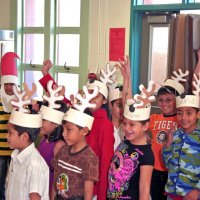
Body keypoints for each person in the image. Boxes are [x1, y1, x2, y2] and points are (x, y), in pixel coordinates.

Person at [107, 80, 156, 199]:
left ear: (145, 126)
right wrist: (127, 78)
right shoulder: (126, 140)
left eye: (132, 125)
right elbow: (127, 103)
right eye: (124, 124)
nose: (126, 128)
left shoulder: (147, 155)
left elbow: (144, 187)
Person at [51, 85, 99, 200]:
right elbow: (55, 182)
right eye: (63, 129)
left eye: (69, 129)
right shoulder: (62, 151)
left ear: (84, 131)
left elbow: (88, 194)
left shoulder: (89, 158)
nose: (63, 134)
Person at [5, 83, 49, 200]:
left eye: (10, 133)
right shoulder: (16, 156)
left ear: (24, 136)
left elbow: (35, 197)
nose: (7, 136)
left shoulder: (35, 164)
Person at [149, 70, 189, 200]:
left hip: (174, 172)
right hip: (154, 170)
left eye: (168, 100)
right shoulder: (154, 118)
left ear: (177, 100)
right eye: (161, 100)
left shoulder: (183, 120)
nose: (164, 104)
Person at [162, 87, 200, 200]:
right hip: (172, 194)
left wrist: (198, 190)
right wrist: (168, 145)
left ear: (198, 114)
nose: (183, 117)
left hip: (192, 196)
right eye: (179, 113)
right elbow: (168, 164)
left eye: (189, 113)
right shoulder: (176, 135)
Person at [86, 68, 115, 200]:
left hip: (94, 190)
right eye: (89, 93)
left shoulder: (105, 125)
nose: (91, 98)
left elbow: (106, 163)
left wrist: (102, 196)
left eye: (96, 95)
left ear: (104, 101)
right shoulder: (84, 119)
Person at [38, 80, 67, 196]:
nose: (40, 122)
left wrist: (54, 197)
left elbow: (60, 176)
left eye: (43, 120)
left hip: (51, 189)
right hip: (41, 185)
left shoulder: (59, 145)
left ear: (55, 123)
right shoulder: (43, 140)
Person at [0, 52, 20, 199]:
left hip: (16, 151)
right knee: (0, 183)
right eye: (6, 84)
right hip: (0, 152)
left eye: (11, 84)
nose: (8, 87)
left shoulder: (20, 101)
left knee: (15, 183)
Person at [109, 85, 124, 150]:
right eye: (119, 106)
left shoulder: (129, 130)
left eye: (125, 106)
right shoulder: (104, 128)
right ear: (110, 105)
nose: (122, 110)